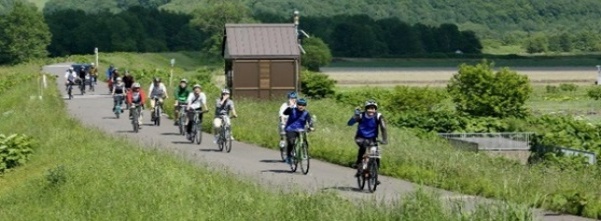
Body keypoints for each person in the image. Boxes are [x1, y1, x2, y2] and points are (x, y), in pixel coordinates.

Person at [347, 100, 388, 180]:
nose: (371, 110)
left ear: (375, 109)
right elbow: (350, 123)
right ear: (365, 109)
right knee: (363, 148)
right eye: (369, 108)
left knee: (376, 156)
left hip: (372, 139)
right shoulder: (361, 115)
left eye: (373, 108)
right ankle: (358, 164)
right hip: (360, 138)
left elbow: (383, 127)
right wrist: (355, 116)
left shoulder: (378, 116)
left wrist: (384, 139)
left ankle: (374, 174)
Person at [282, 98, 314, 164]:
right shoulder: (292, 110)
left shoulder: (306, 113)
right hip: (290, 129)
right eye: (299, 104)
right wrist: (290, 106)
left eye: (303, 105)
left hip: (301, 129)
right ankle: (289, 156)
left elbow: (310, 121)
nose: (301, 106)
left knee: (305, 140)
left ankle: (304, 153)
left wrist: (311, 127)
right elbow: (284, 113)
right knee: (291, 142)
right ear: (297, 105)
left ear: (305, 106)